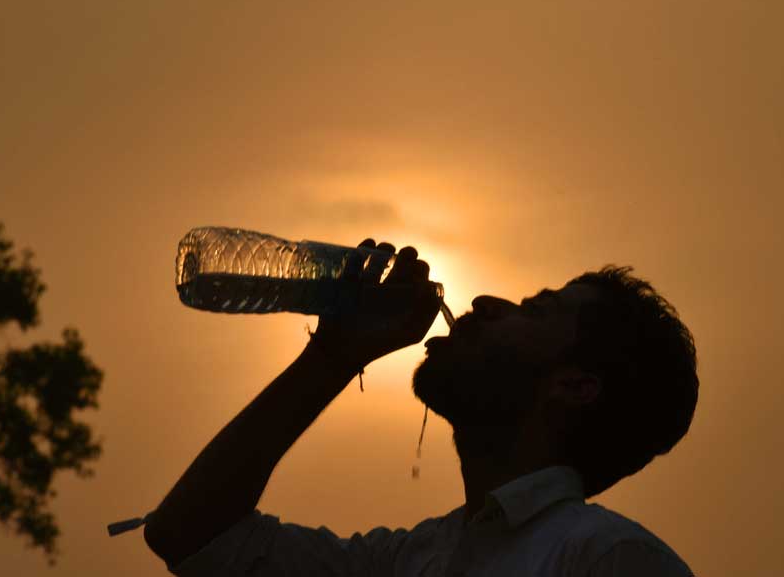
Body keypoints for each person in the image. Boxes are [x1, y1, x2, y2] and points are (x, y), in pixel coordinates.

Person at [142, 239, 698, 576]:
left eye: (534, 310)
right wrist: (335, 354)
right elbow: (189, 534)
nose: (485, 303)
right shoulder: (410, 561)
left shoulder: (609, 560)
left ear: (575, 387)